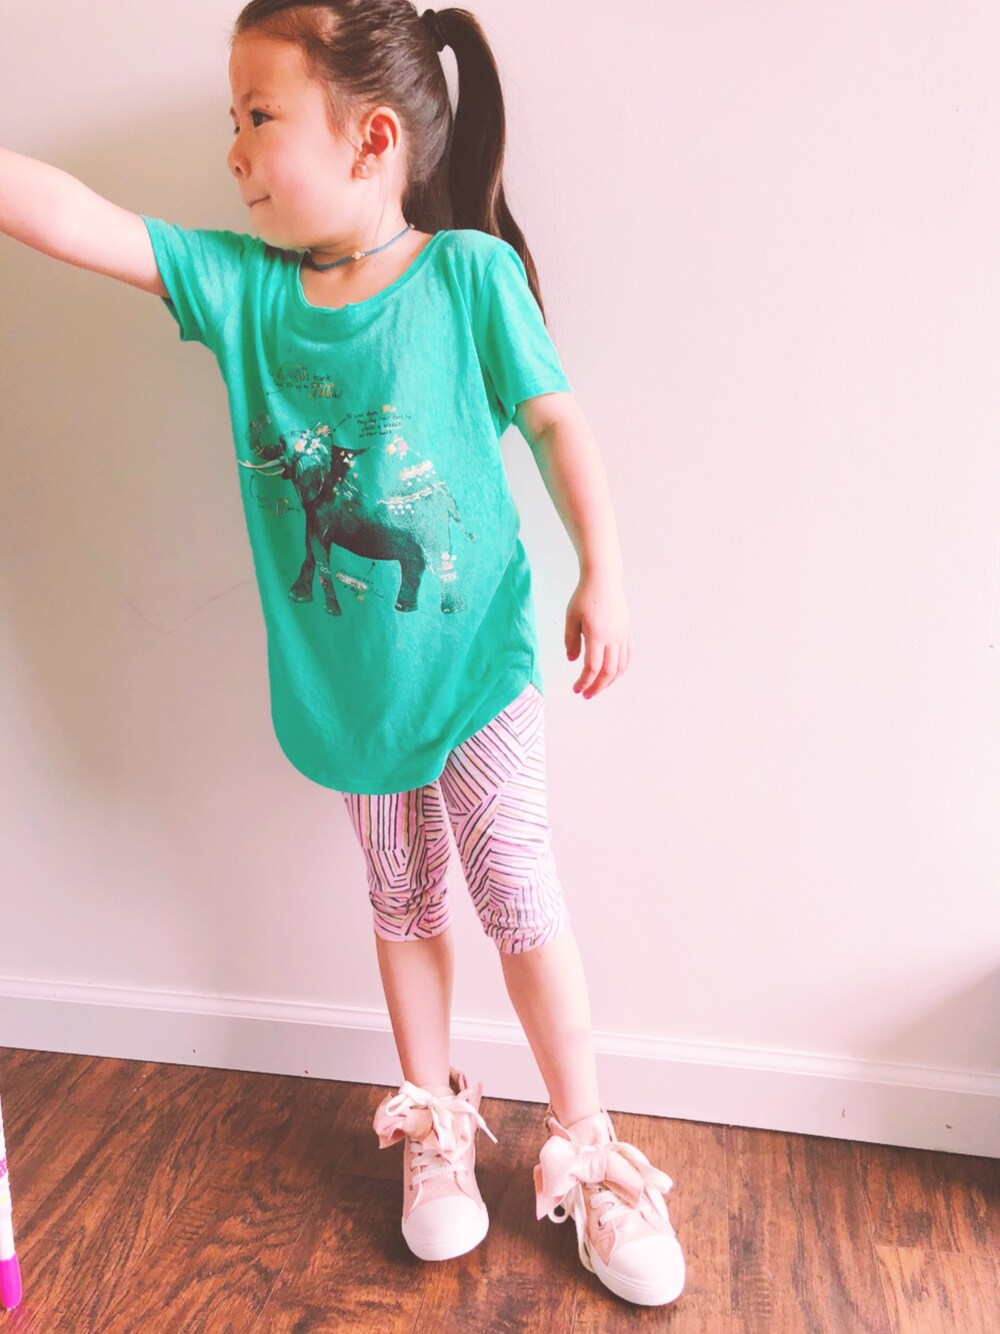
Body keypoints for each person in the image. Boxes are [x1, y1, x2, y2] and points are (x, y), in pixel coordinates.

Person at [0, 0, 684, 1309]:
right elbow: (83, 220)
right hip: (351, 692)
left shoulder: (470, 276)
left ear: (371, 139)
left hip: (476, 664)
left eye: (258, 117)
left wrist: (603, 564)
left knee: (516, 885)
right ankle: (434, 1119)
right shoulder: (244, 290)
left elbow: (556, 422)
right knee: (403, 900)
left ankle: (591, 1149)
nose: (233, 150)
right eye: (233, 119)